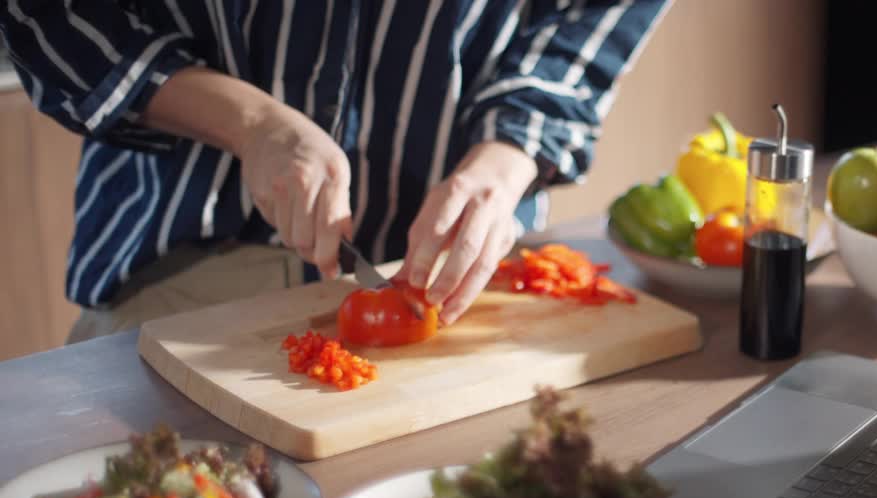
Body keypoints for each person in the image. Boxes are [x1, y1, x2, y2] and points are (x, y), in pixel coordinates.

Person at [0, 1, 669, 340]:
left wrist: (508, 156)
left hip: (461, 280)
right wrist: (251, 124)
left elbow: (588, 21)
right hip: (184, 275)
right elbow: (47, 16)